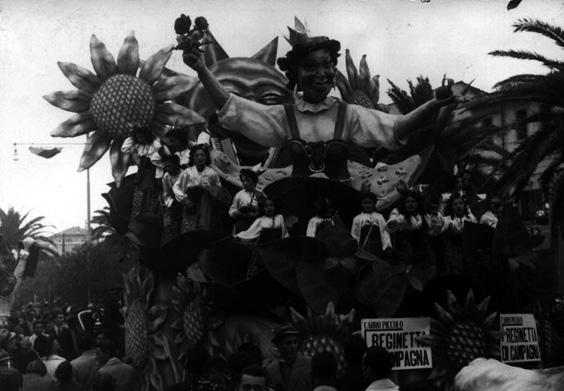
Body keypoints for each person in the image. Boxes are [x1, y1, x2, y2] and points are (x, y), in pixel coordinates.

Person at [183, 32, 454, 182]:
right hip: (293, 210)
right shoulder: (284, 116)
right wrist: (202, 69)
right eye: (310, 67)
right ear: (296, 75)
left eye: (327, 65)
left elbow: (396, 128)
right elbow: (234, 107)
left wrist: (433, 105)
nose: (321, 73)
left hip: (342, 211)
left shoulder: (348, 115)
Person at [173, 143, 227, 233]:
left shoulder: (212, 173)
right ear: (193, 158)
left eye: (202, 155)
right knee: (190, 232)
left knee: (205, 230)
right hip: (190, 205)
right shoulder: (187, 172)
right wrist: (185, 199)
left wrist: (210, 190)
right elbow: (176, 187)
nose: (200, 157)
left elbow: (218, 189)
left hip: (207, 207)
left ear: (206, 157)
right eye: (197, 155)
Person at [265, 325, 312, 391]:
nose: (293, 346)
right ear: (278, 345)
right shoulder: (270, 369)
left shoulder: (309, 364)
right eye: (288, 343)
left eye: (295, 342)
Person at [442, 193, 477, 275]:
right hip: (453, 252)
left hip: (468, 251)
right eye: (455, 204)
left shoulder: (471, 219)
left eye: (460, 203)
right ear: (452, 206)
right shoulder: (447, 220)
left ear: (465, 206)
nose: (458, 206)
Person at [351, 192, 391, 257]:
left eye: (369, 203)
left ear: (374, 204)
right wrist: (355, 248)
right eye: (365, 203)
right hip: (364, 246)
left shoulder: (379, 216)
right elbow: (355, 234)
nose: (367, 205)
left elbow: (384, 232)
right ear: (361, 204)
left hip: (377, 244)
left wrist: (387, 246)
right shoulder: (357, 218)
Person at [229, 169, 266, 234]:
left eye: (248, 180)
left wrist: (256, 209)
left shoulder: (260, 195)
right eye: (243, 181)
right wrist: (236, 213)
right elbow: (232, 209)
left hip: (256, 225)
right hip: (242, 225)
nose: (245, 183)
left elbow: (266, 210)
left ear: (255, 182)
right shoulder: (239, 195)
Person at [161, 154, 183, 243]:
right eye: (167, 167)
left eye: (170, 166)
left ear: (176, 165)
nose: (168, 169)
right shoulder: (166, 177)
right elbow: (166, 194)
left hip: (184, 203)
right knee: (168, 225)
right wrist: (171, 203)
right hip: (173, 204)